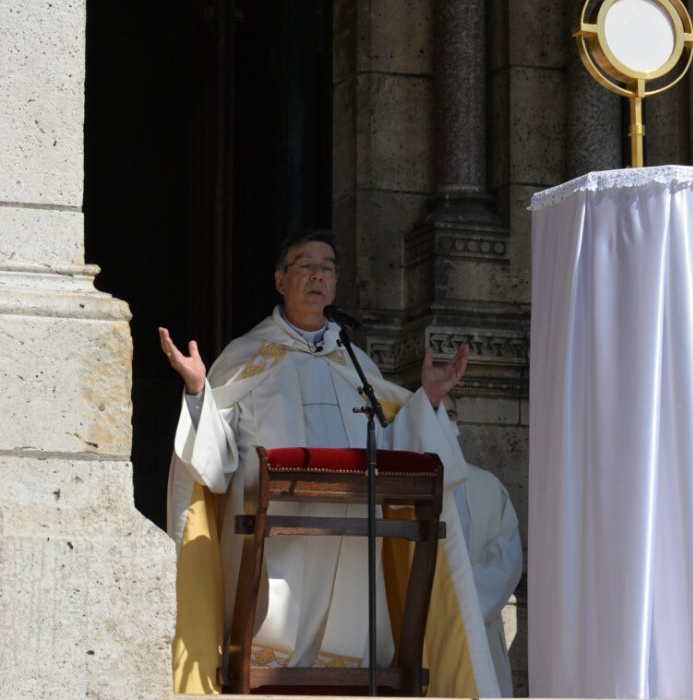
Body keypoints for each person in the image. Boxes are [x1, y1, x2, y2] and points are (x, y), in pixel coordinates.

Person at [159, 229, 497, 696]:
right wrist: (200, 393)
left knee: (352, 629)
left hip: (353, 534)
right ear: (280, 280)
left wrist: (429, 400)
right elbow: (214, 466)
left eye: (328, 268)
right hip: (273, 537)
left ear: (336, 286)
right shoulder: (246, 358)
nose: (317, 275)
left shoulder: (355, 364)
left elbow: (395, 449)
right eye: (305, 264)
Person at [441, 394, 523, 696]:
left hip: (478, 628)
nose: (444, 421)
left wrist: (454, 600)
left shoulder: (487, 486)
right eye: (433, 411)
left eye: (449, 414)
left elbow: (507, 562)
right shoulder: (397, 488)